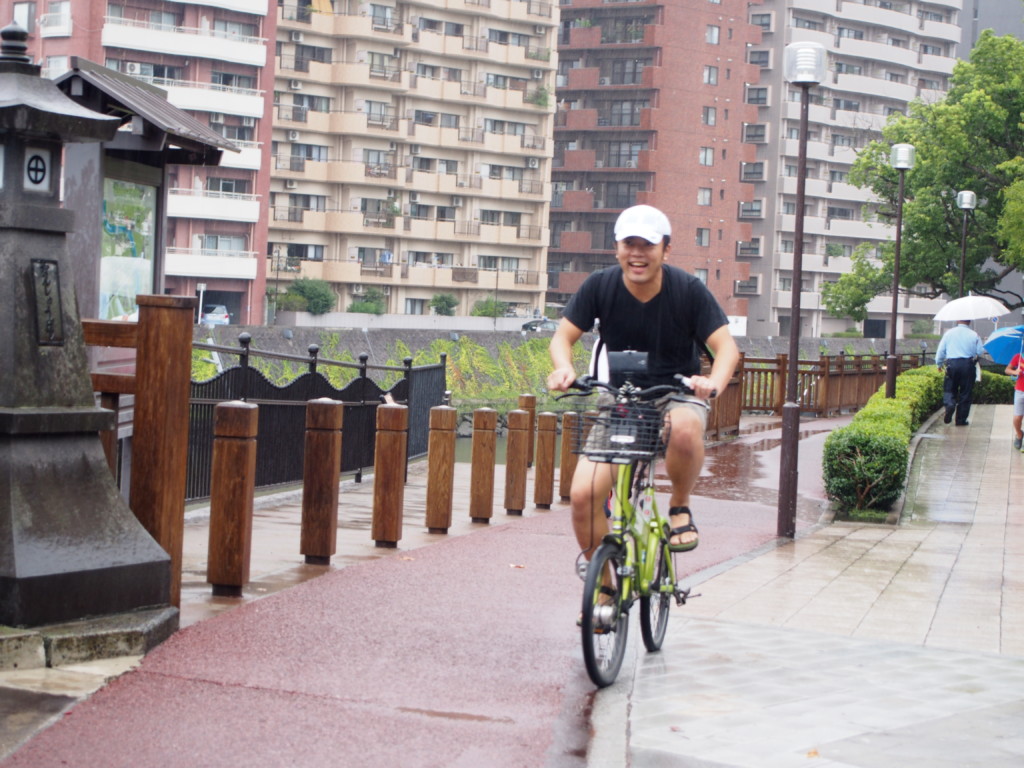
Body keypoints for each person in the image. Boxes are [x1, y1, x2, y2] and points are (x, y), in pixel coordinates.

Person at [546, 204, 740, 562]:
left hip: (677, 393)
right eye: (628, 244)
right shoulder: (599, 285)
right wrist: (563, 369)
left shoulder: (688, 290)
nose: (637, 254)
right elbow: (562, 338)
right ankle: (604, 594)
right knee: (583, 497)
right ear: (617, 248)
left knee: (683, 429)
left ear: (665, 249)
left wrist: (712, 382)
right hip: (621, 398)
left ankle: (680, 507)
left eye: (647, 245)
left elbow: (726, 348)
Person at [935, 319, 985, 426]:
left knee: (949, 388)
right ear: (969, 322)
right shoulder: (974, 335)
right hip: (968, 365)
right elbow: (980, 351)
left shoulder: (949, 333)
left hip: (952, 364)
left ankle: (950, 404)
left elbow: (941, 351)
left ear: (958, 321)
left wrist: (939, 364)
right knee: (966, 393)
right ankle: (961, 420)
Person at [1004, 351, 1024, 449]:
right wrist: (1015, 372)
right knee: (1017, 418)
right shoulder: (1018, 356)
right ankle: (1019, 434)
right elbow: (1007, 370)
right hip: (1020, 390)